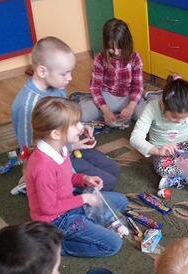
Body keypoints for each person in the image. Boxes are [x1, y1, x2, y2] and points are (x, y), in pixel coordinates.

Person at [11, 36, 120, 191]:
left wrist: (79, 126)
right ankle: (28, 186)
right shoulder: (27, 106)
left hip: (68, 147)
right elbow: (29, 151)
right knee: (108, 183)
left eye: (70, 72)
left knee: (113, 169)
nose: (70, 78)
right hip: (54, 161)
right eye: (64, 74)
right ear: (42, 71)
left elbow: (64, 116)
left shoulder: (57, 86)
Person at [25, 97, 128, 257]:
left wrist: (84, 179)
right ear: (56, 134)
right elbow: (48, 208)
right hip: (56, 220)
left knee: (122, 201)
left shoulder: (60, 148)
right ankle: (57, 246)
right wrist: (85, 199)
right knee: (114, 244)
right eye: (75, 124)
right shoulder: (42, 167)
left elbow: (67, 177)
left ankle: (86, 222)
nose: (80, 127)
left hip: (70, 203)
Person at [78, 18, 147, 125]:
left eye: (119, 48)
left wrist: (131, 106)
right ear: (105, 45)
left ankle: (148, 96)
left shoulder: (135, 58)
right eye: (111, 48)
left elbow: (138, 86)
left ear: (127, 43)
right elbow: (95, 88)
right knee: (82, 114)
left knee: (145, 117)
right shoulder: (100, 59)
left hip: (129, 97)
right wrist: (106, 111)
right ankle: (89, 101)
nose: (116, 52)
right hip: (107, 96)